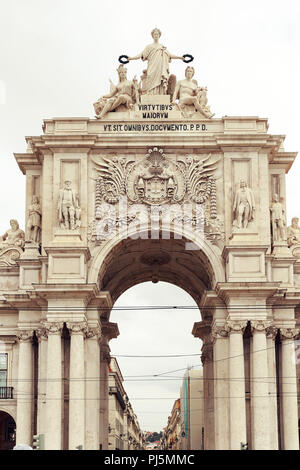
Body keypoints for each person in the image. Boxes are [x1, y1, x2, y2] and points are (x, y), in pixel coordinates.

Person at [127, 28, 184, 95]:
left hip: (160, 68)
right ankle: (151, 95)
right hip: (152, 67)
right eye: (154, 34)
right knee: (150, 79)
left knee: (160, 80)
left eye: (157, 34)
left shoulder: (162, 47)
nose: (156, 35)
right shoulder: (149, 46)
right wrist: (131, 58)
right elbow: (141, 55)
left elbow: (170, 55)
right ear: (152, 35)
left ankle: (160, 95)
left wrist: (180, 57)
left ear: (159, 35)